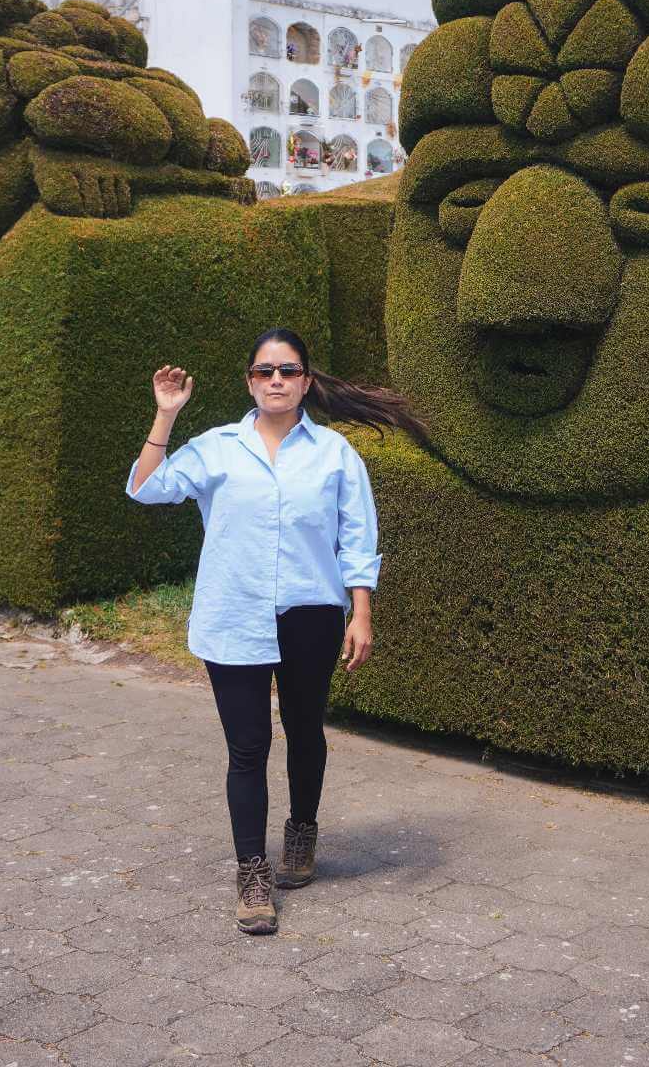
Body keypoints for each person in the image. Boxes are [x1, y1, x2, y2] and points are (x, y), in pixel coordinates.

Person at [127, 328, 425, 935]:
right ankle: (252, 872)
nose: (276, 381)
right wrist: (165, 417)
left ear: (306, 382)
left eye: (288, 371)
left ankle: (302, 830)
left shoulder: (336, 454)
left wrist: (360, 611)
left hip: (310, 614)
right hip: (233, 614)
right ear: (250, 381)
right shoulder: (216, 448)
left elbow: (357, 539)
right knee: (247, 747)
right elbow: (146, 489)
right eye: (265, 372)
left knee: (305, 728)